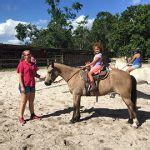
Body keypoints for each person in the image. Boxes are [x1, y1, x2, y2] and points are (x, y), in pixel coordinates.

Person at [17, 50, 45, 124]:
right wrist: (22, 87)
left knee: (31, 101)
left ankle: (32, 115)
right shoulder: (21, 64)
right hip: (25, 85)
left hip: (32, 85)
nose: (28, 56)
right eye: (26, 55)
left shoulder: (33, 64)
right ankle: (21, 117)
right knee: (23, 102)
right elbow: (20, 76)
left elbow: (35, 74)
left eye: (29, 54)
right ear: (24, 56)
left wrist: (43, 76)